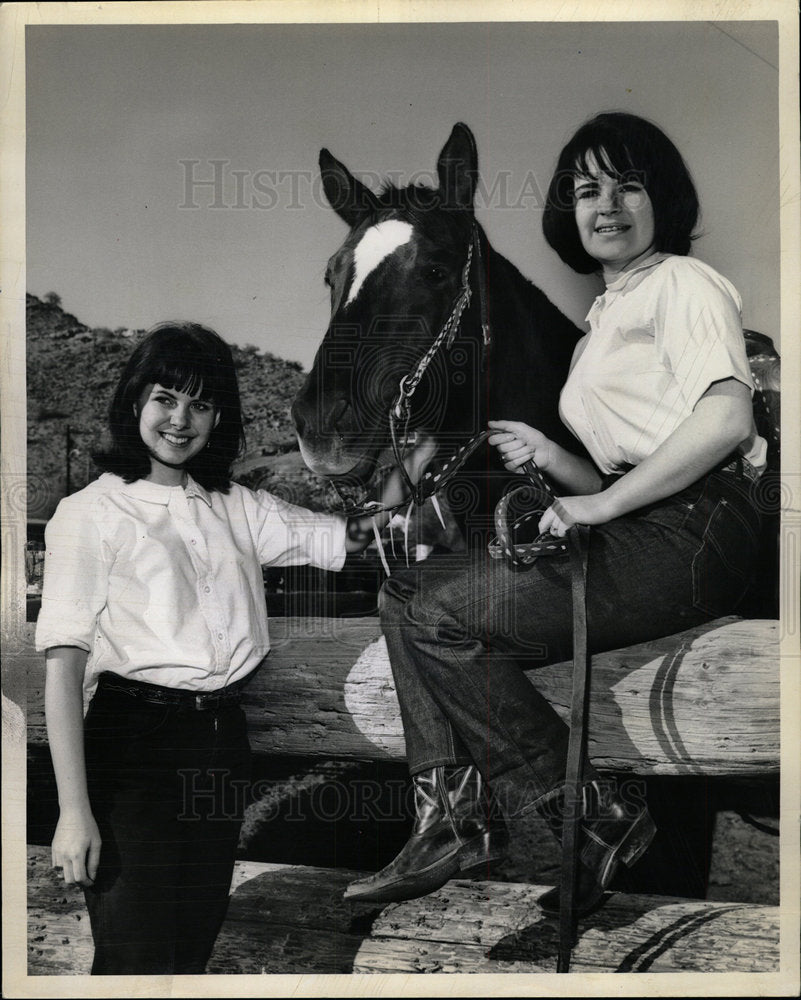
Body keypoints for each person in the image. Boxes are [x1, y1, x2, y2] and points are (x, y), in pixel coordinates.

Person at [343, 111, 767, 915]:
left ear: (661, 200)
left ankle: (585, 810)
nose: (605, 204)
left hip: (698, 523)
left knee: (439, 618)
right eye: (584, 189)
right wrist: (550, 457)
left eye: (627, 185)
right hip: (646, 518)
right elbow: (625, 457)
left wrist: (597, 502)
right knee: (406, 597)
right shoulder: (599, 326)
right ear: (565, 212)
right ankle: (450, 816)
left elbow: (723, 421)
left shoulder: (683, 282)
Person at [37, 322, 434, 974]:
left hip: (220, 743)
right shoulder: (92, 513)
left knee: (192, 945)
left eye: (201, 403)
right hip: (131, 749)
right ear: (134, 400)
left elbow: (355, 544)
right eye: (165, 398)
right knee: (134, 957)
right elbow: (62, 670)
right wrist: (73, 813)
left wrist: (413, 461)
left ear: (219, 415)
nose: (180, 419)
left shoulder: (239, 507)